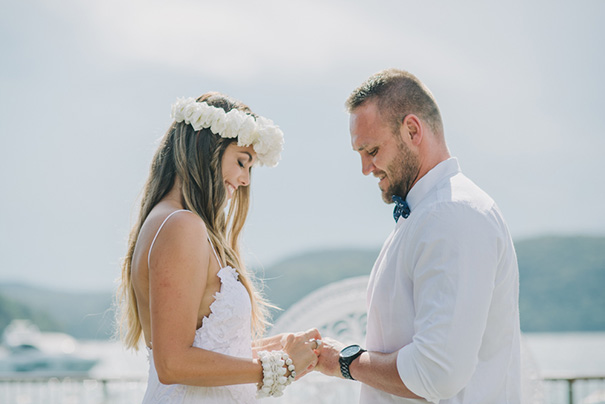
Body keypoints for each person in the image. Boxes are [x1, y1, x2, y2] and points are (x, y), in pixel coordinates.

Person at [314, 69, 521, 403]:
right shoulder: (429, 214)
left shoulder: (452, 215)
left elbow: (436, 373)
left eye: (372, 150)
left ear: (412, 130)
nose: (366, 168)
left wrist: (345, 362)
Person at [117, 92, 321, 403]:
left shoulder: (167, 220)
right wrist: (280, 366)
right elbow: (173, 363)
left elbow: (204, 352)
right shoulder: (181, 225)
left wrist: (277, 348)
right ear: (206, 147)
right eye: (241, 162)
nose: (245, 180)